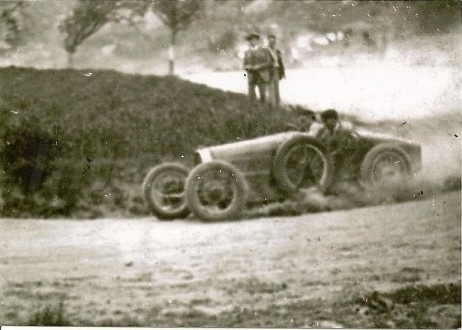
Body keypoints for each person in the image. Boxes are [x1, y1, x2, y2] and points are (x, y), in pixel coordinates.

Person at [316, 109, 357, 181]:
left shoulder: (339, 131)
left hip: (334, 160)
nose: (324, 124)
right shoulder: (324, 131)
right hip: (324, 159)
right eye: (323, 121)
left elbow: (340, 149)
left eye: (325, 121)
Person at [243, 32, 272, 103]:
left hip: (262, 75)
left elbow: (269, 62)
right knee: (251, 95)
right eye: (250, 40)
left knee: (263, 95)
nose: (252, 42)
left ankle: (264, 110)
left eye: (254, 40)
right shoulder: (247, 52)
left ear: (257, 41)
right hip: (251, 75)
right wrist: (248, 67)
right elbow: (244, 65)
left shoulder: (265, 50)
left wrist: (259, 66)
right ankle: (253, 110)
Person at [266, 34, 286, 107]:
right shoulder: (266, 51)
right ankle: (272, 106)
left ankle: (278, 105)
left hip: (277, 71)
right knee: (271, 89)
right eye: (271, 41)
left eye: (274, 42)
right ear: (268, 42)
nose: (272, 43)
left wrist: (283, 73)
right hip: (269, 72)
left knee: (277, 89)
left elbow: (280, 62)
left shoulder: (277, 51)